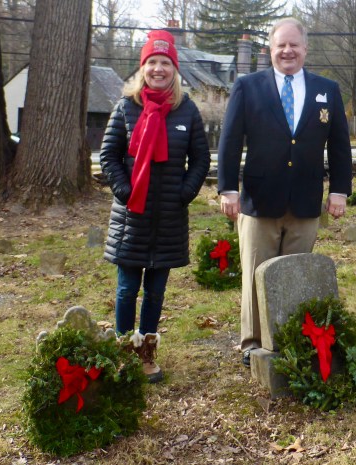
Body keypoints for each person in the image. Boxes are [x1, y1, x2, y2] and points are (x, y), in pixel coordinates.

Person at [217, 18, 352, 367]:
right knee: (256, 273)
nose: (287, 51)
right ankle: (253, 344)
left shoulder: (328, 90)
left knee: (295, 276)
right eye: (281, 45)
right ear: (271, 50)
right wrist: (228, 188)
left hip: (305, 202)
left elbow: (339, 146)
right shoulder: (248, 87)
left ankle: (290, 337)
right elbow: (230, 142)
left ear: (305, 49)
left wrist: (339, 190)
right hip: (259, 201)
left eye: (294, 45)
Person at [100, 30, 211, 383]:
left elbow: (201, 159)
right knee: (126, 289)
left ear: (174, 69)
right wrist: (123, 188)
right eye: (152, 62)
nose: (158, 69)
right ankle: (122, 354)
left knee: (156, 290)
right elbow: (109, 155)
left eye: (165, 63)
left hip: (168, 217)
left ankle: (147, 354)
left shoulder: (187, 110)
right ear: (142, 67)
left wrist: (184, 192)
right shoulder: (125, 107)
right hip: (131, 216)